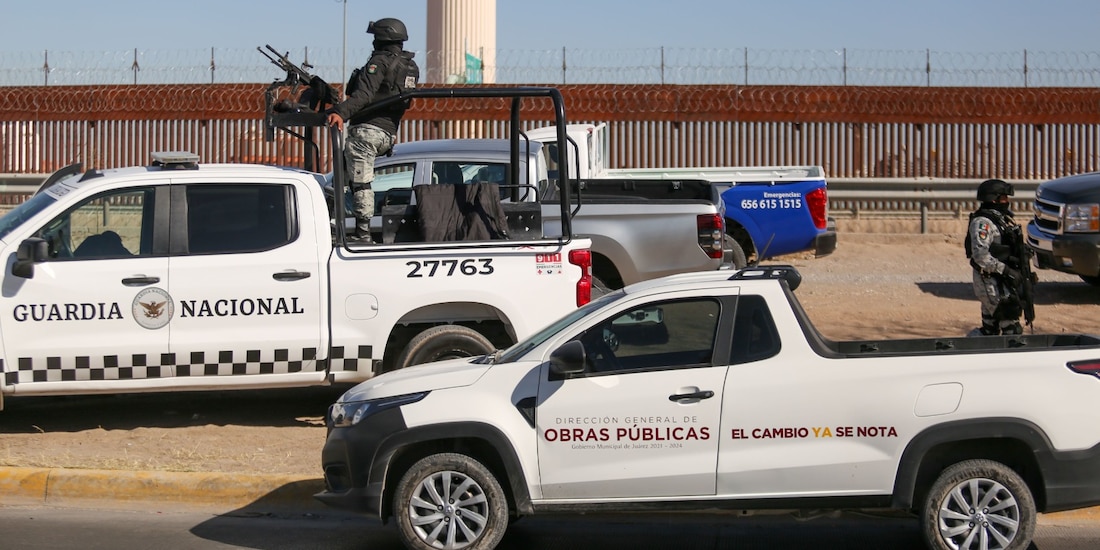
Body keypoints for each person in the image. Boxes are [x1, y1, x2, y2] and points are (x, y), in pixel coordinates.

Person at [326, 17, 420, 243]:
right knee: (344, 175)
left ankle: (363, 233)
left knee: (361, 182)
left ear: (382, 38)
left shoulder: (379, 62)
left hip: (367, 131)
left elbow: (363, 96)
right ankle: (332, 221)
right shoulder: (410, 66)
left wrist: (340, 112)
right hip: (388, 133)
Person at [965, 178, 1028, 335]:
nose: (1007, 201)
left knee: (990, 330)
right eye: (1004, 197)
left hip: (1000, 283)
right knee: (1011, 330)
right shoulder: (982, 223)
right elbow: (980, 255)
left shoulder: (1002, 219)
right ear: (993, 199)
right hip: (990, 283)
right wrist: (1006, 270)